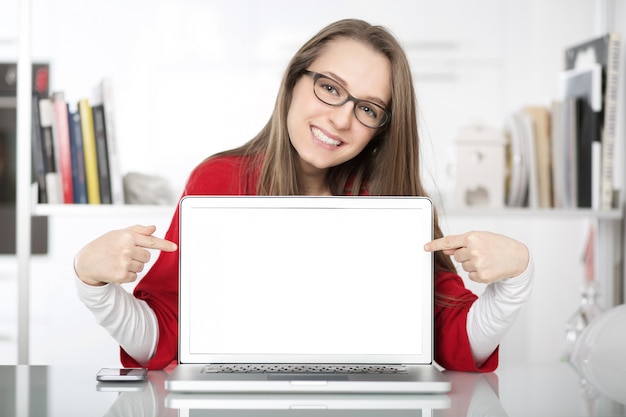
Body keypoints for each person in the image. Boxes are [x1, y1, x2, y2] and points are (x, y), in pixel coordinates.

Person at [74, 19, 532, 372]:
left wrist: (514, 281)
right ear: (294, 81)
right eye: (330, 88)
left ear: (380, 130)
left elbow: (455, 340)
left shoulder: (393, 200)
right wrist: (92, 284)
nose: (340, 119)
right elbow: (160, 340)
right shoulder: (218, 181)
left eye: (368, 108)